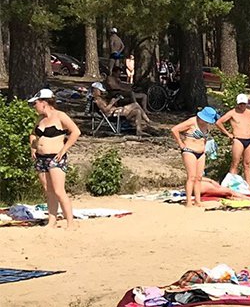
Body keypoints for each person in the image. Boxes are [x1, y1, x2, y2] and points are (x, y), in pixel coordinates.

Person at [27, 89, 79, 229]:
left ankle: (70, 222)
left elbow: (75, 132)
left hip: (55, 157)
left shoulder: (60, 116)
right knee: (48, 190)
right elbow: (33, 134)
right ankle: (52, 221)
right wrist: (33, 147)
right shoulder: (40, 119)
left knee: (58, 190)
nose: (34, 106)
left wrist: (64, 149)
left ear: (44, 102)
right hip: (41, 158)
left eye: (35, 103)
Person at [171, 107, 219, 207]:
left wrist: (204, 148)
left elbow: (204, 138)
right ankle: (188, 201)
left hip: (201, 152)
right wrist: (180, 143)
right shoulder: (192, 121)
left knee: (199, 177)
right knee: (191, 177)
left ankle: (198, 200)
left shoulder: (206, 126)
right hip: (189, 151)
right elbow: (174, 129)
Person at [216, 94, 250, 188]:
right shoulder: (232, 113)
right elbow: (219, 122)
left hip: (249, 140)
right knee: (235, 163)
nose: (242, 106)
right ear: (237, 104)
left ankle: (248, 183)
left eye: (244, 104)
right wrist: (228, 134)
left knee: (247, 163)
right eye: (240, 104)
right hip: (238, 139)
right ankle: (230, 184)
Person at [89, 82, 155, 132]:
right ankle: (148, 121)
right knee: (135, 104)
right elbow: (105, 110)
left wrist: (114, 102)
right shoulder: (97, 100)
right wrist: (111, 103)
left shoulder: (101, 98)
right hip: (113, 115)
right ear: (95, 90)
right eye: (100, 90)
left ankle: (139, 131)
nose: (101, 92)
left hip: (117, 112)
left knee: (137, 111)